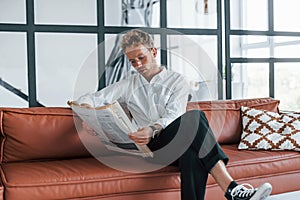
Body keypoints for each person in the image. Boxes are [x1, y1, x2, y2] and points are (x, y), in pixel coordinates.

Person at [78, 29, 272, 200]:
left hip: (171, 140)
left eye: (141, 57)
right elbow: (90, 98)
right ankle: (232, 190)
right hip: (149, 150)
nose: (137, 64)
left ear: (153, 52)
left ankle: (233, 191)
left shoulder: (177, 81)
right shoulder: (127, 84)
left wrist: (152, 128)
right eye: (132, 61)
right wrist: (87, 115)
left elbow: (175, 114)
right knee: (196, 120)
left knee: (192, 147)